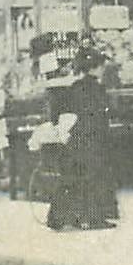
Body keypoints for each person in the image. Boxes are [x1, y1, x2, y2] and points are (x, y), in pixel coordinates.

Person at [48, 46, 118, 231]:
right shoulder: (97, 88)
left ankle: (60, 218)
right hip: (93, 139)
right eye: (101, 65)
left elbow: (57, 112)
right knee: (94, 178)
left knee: (72, 179)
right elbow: (103, 115)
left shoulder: (73, 88)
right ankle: (93, 218)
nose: (103, 68)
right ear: (94, 67)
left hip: (75, 139)